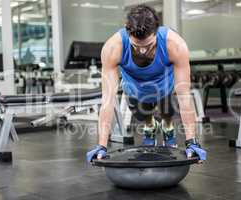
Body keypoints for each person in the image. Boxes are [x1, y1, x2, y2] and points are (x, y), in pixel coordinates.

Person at [86, 5, 206, 163]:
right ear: (127, 32)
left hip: (164, 88)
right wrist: (101, 145)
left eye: (148, 46)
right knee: (143, 115)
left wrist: (192, 141)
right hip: (135, 89)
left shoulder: (175, 45)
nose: (142, 51)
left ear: (157, 30)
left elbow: (184, 96)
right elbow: (107, 101)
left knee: (167, 113)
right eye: (136, 46)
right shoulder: (113, 48)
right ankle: (150, 126)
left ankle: (168, 127)